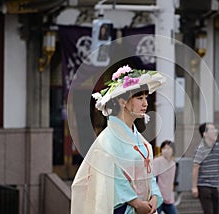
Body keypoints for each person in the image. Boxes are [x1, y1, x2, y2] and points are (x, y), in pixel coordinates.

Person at [71, 65, 166, 214]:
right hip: (124, 208)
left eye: (146, 98)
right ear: (123, 102)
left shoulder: (139, 139)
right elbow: (111, 178)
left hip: (145, 207)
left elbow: (148, 171)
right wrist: (136, 203)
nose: (145, 103)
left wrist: (154, 196)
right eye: (139, 98)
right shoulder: (107, 140)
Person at [192, 122, 219, 214]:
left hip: (214, 185)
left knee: (216, 211)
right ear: (205, 134)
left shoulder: (217, 147)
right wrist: (194, 187)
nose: (215, 131)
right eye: (212, 129)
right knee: (208, 211)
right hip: (203, 185)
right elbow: (195, 168)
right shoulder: (200, 149)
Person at [153, 140, 178, 214]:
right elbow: (153, 178)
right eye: (164, 148)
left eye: (168, 148)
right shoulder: (157, 161)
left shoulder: (173, 164)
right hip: (158, 198)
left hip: (168, 198)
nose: (166, 150)